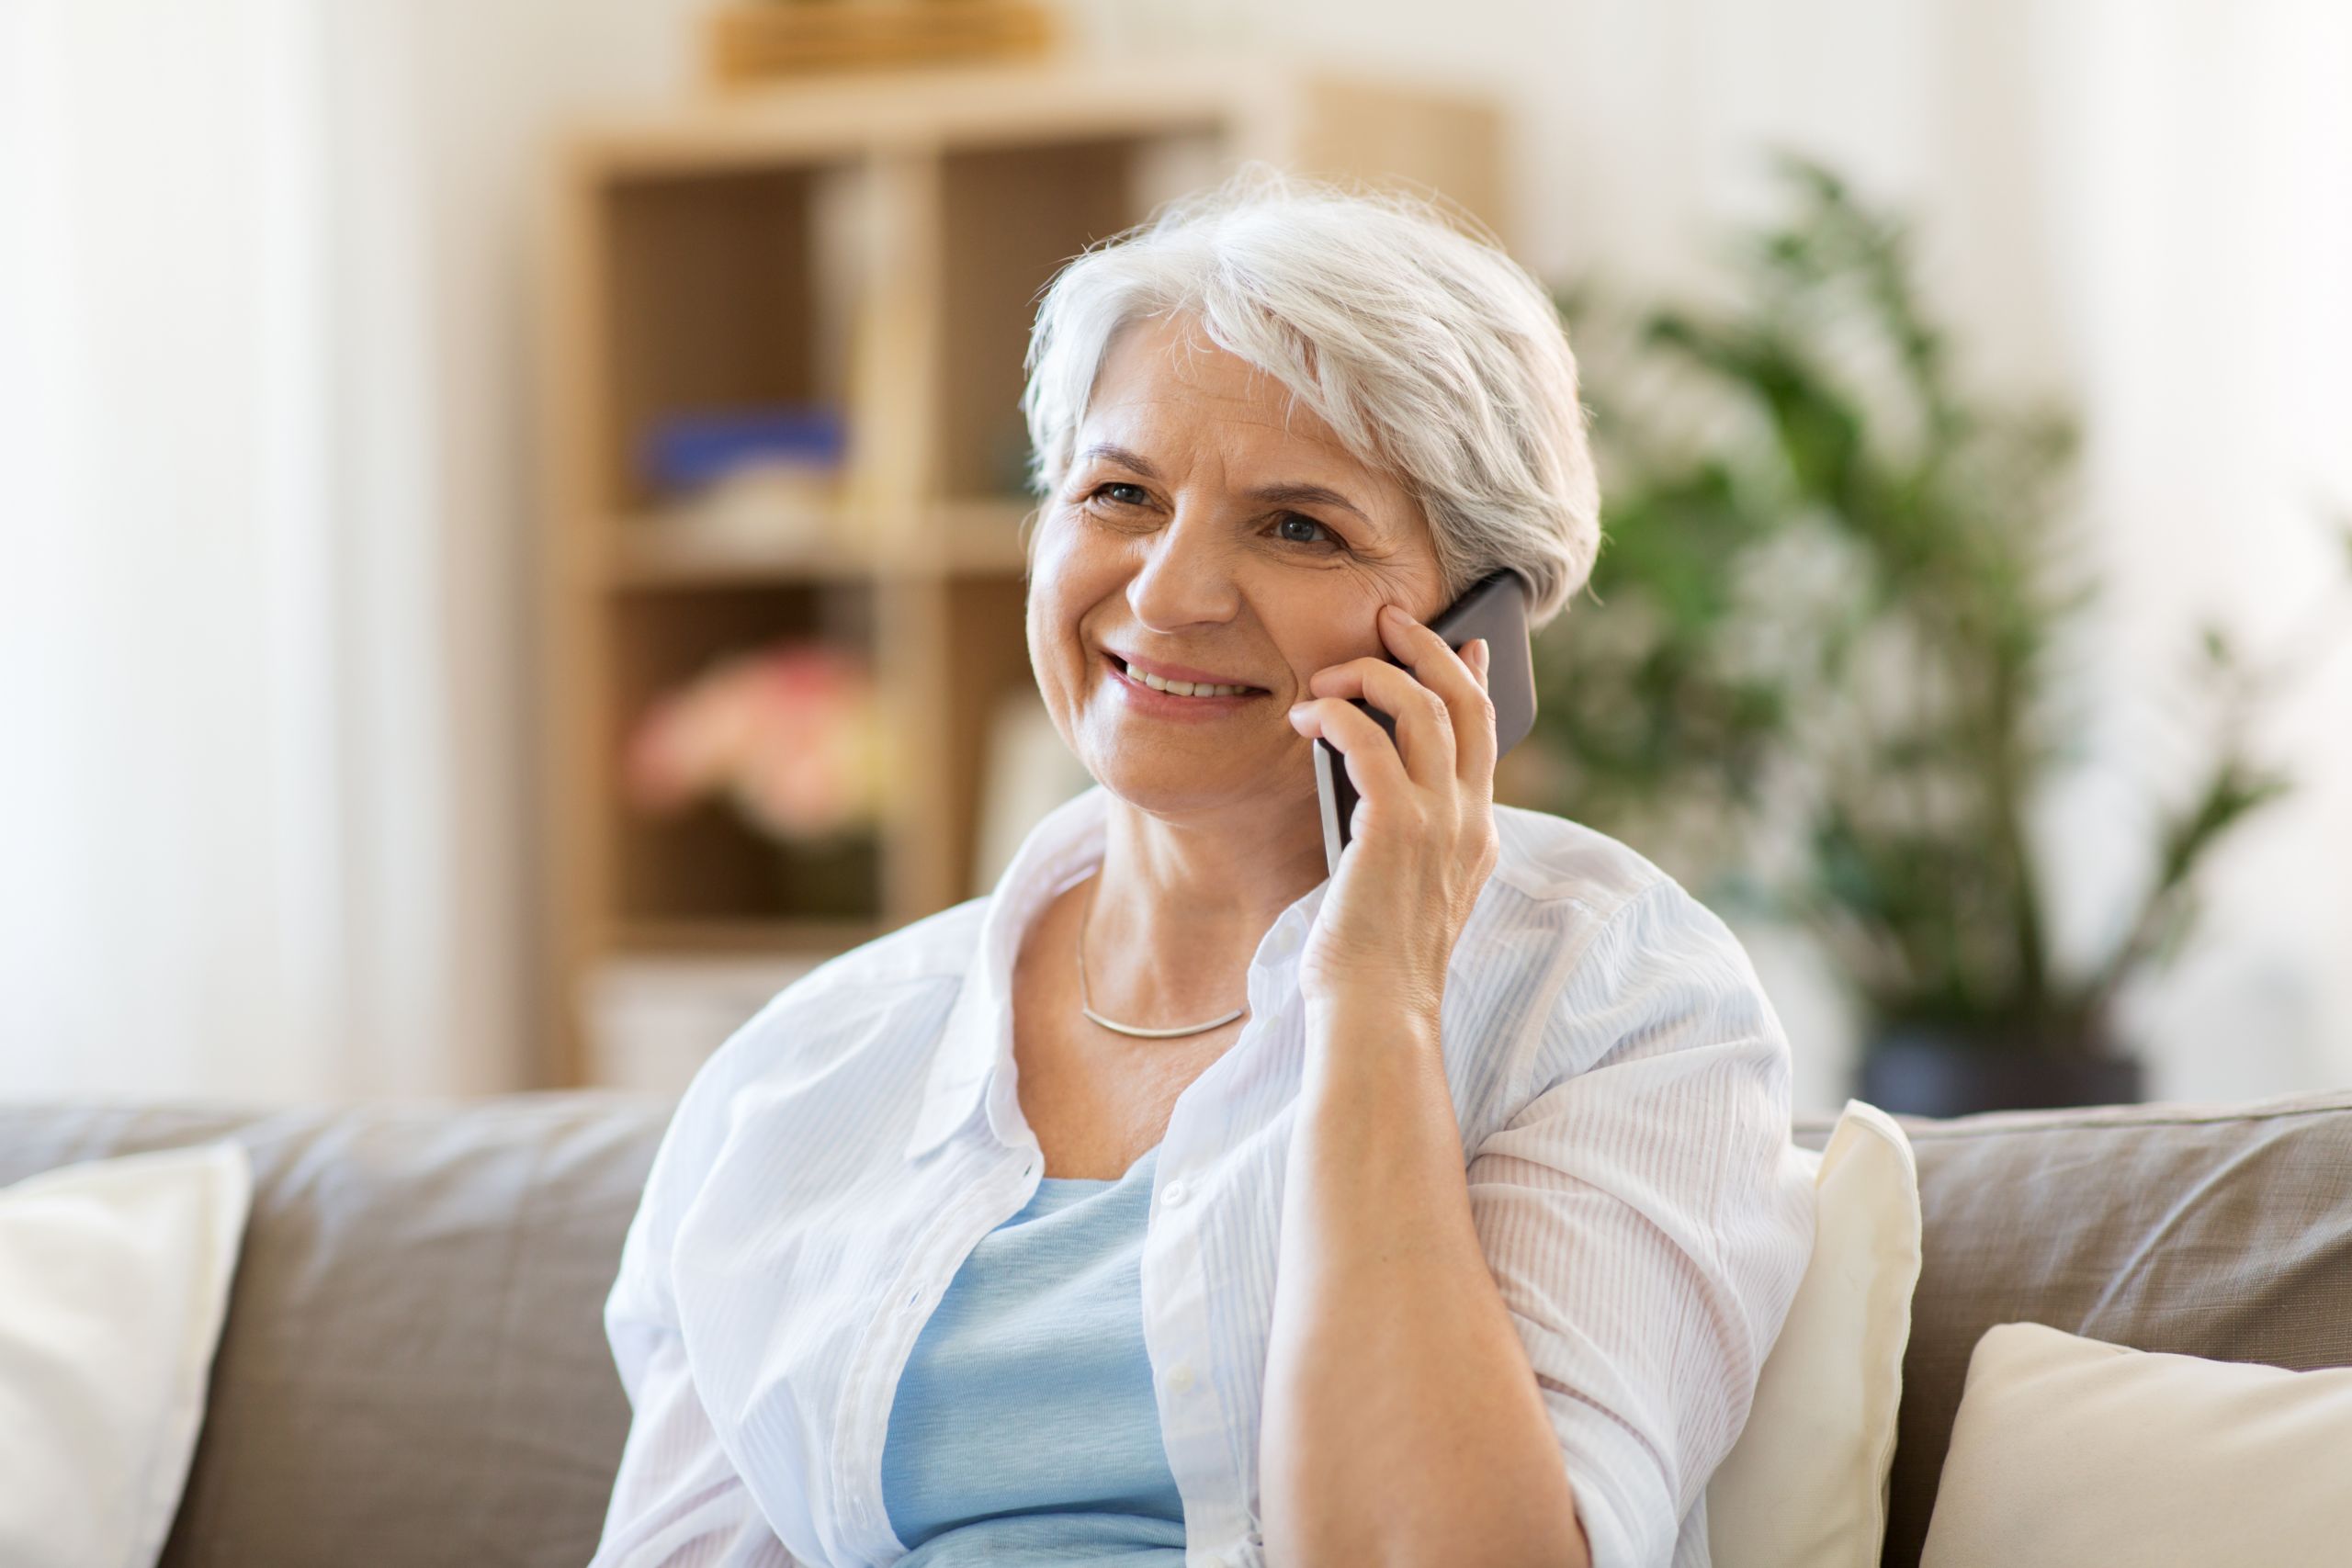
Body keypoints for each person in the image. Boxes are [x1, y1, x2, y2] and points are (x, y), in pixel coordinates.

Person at [588, 163, 1815, 1568]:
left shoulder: (1610, 1002)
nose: (1167, 594)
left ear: (1478, 627)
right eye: (1119, 494)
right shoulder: (805, 1070)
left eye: (1299, 525)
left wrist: (1377, 1003)